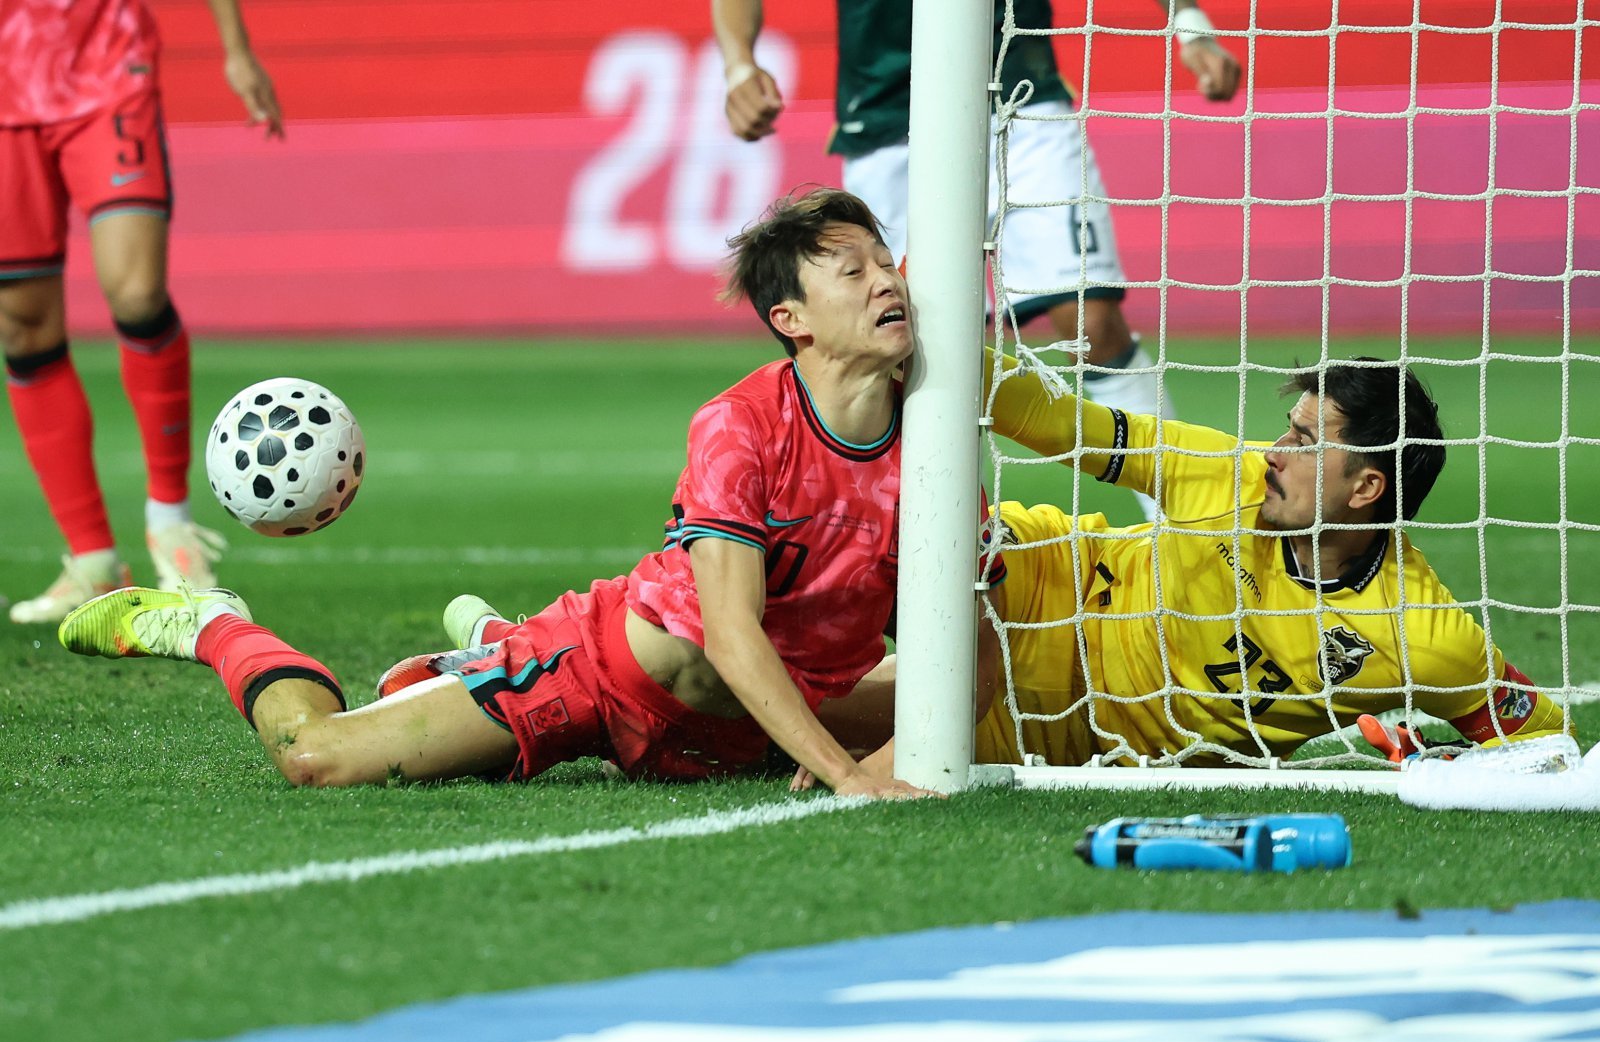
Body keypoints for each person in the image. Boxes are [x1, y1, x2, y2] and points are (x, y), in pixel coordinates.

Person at [58, 188, 983, 798]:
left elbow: (974, 643)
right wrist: (846, 774)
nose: (884, 281)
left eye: (883, 261)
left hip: (754, 726)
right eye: (849, 271)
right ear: (790, 321)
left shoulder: (938, 448)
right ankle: (215, 623)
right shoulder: (741, 424)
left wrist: (892, 758)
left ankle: (485, 650)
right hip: (609, 674)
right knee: (319, 758)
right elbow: (733, 632)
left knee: (972, 709)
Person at [818, 354, 1569, 770]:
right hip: (1050, 580)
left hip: (1071, 727)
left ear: (1367, 487)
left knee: (791, 723)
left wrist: (1455, 766)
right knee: (860, 539)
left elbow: (1546, 742)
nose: (1276, 451)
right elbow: (1064, 423)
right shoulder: (1230, 473)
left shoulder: (1423, 636)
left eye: (1307, 443)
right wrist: (940, 347)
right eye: (1288, 428)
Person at [712, 0, 1241, 519]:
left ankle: (1189, 526)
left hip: (1020, 89)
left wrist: (1188, 22)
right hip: (888, 112)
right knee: (901, 340)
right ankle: (908, 541)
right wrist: (738, 63)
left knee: (1091, 323)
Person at [1, 0, 285, 624]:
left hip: (107, 65)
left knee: (136, 294)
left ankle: (171, 524)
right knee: (22, 324)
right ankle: (92, 559)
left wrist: (235, 49)